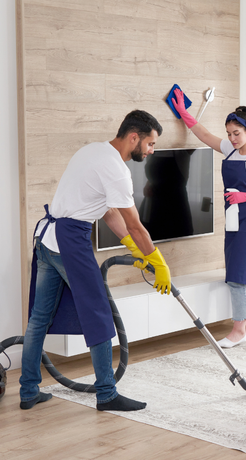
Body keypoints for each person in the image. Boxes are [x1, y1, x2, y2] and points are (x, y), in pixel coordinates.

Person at [20, 110, 171, 410]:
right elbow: (135, 224)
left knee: (39, 318)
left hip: (47, 240)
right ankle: (106, 394)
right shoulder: (116, 169)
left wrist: (132, 247)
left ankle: (27, 391)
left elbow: (108, 211)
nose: (151, 151)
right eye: (150, 144)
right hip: (70, 241)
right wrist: (159, 262)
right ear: (133, 137)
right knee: (98, 312)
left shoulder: (93, 150)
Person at [172, 88, 246, 348]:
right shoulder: (229, 149)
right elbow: (204, 134)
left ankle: (238, 330)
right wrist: (184, 113)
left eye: (238, 133)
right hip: (234, 219)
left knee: (238, 276)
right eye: (230, 133)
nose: (232, 139)